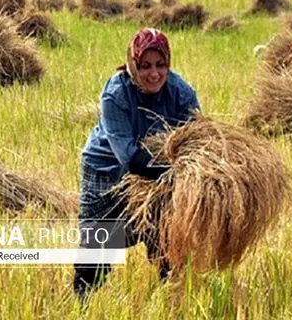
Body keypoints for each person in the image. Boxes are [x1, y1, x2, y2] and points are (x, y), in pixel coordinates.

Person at [74, 28, 200, 301]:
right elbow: (130, 157)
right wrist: (175, 174)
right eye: (145, 66)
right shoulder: (116, 94)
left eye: (160, 65)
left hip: (159, 168)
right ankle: (82, 302)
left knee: (165, 229)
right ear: (133, 64)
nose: (153, 74)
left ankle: (168, 296)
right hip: (107, 167)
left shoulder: (181, 93)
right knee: (98, 238)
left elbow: (195, 141)